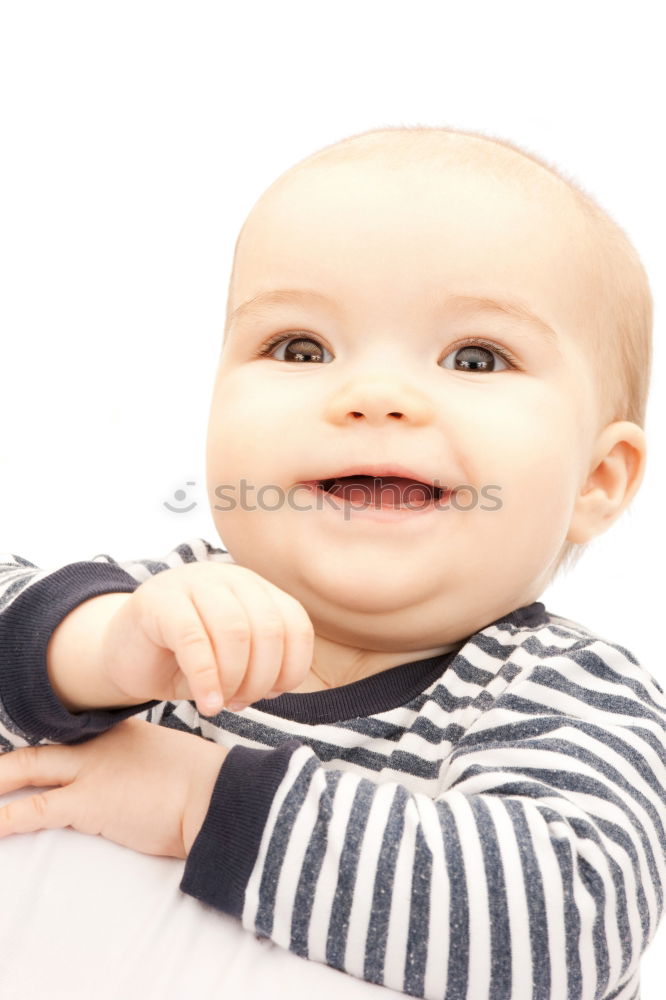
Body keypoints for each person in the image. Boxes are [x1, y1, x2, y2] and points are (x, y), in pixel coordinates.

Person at [0, 125, 663, 1000]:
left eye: (475, 357)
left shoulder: (562, 695)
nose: (374, 398)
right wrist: (92, 653)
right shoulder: (158, 614)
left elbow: (566, 928)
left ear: (596, 479)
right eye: (300, 349)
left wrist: (199, 802)